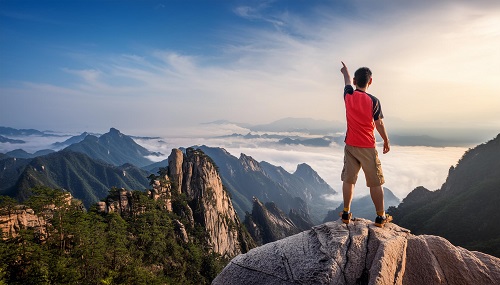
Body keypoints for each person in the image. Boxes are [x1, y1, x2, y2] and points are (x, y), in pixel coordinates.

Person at [339, 61, 392, 227]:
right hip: (368, 147)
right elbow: (379, 123)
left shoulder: (348, 95)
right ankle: (380, 217)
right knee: (375, 182)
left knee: (349, 179)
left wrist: (345, 72)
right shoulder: (374, 101)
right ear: (370, 81)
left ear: (355, 81)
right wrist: (385, 140)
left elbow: (347, 82)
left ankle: (346, 213)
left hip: (350, 146)